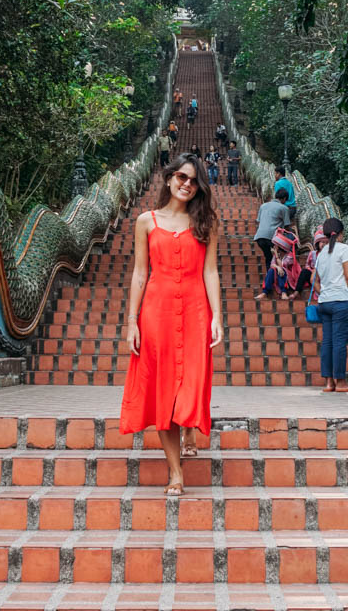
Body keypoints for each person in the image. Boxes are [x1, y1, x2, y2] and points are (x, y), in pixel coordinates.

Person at [120, 155, 222, 495]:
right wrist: (131, 321)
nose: (187, 184)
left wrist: (218, 317)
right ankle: (176, 473)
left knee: (190, 383)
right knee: (163, 388)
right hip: (157, 312)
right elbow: (139, 273)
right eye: (181, 176)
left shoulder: (206, 223)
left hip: (195, 311)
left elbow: (210, 271)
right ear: (168, 179)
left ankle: (189, 428)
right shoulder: (146, 221)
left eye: (194, 181)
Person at [312, 217, 348, 393]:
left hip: (324, 303)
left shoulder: (321, 254)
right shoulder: (344, 249)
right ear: (341, 233)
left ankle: (328, 383)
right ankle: (340, 382)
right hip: (341, 302)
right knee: (340, 342)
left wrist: (323, 292)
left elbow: (314, 280)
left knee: (327, 342)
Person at [252, 189, 291, 288]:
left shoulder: (263, 205)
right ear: (284, 199)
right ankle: (279, 282)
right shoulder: (284, 208)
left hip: (260, 236)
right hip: (272, 238)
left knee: (268, 257)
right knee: (278, 257)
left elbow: (258, 221)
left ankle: (269, 280)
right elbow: (287, 226)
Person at [261, 228, 301, 299]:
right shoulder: (276, 255)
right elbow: (272, 264)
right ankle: (264, 292)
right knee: (271, 270)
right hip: (278, 275)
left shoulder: (290, 255)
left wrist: (276, 257)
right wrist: (277, 267)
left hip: (288, 278)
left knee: (282, 270)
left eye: (275, 245)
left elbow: (283, 266)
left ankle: (284, 292)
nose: (274, 247)